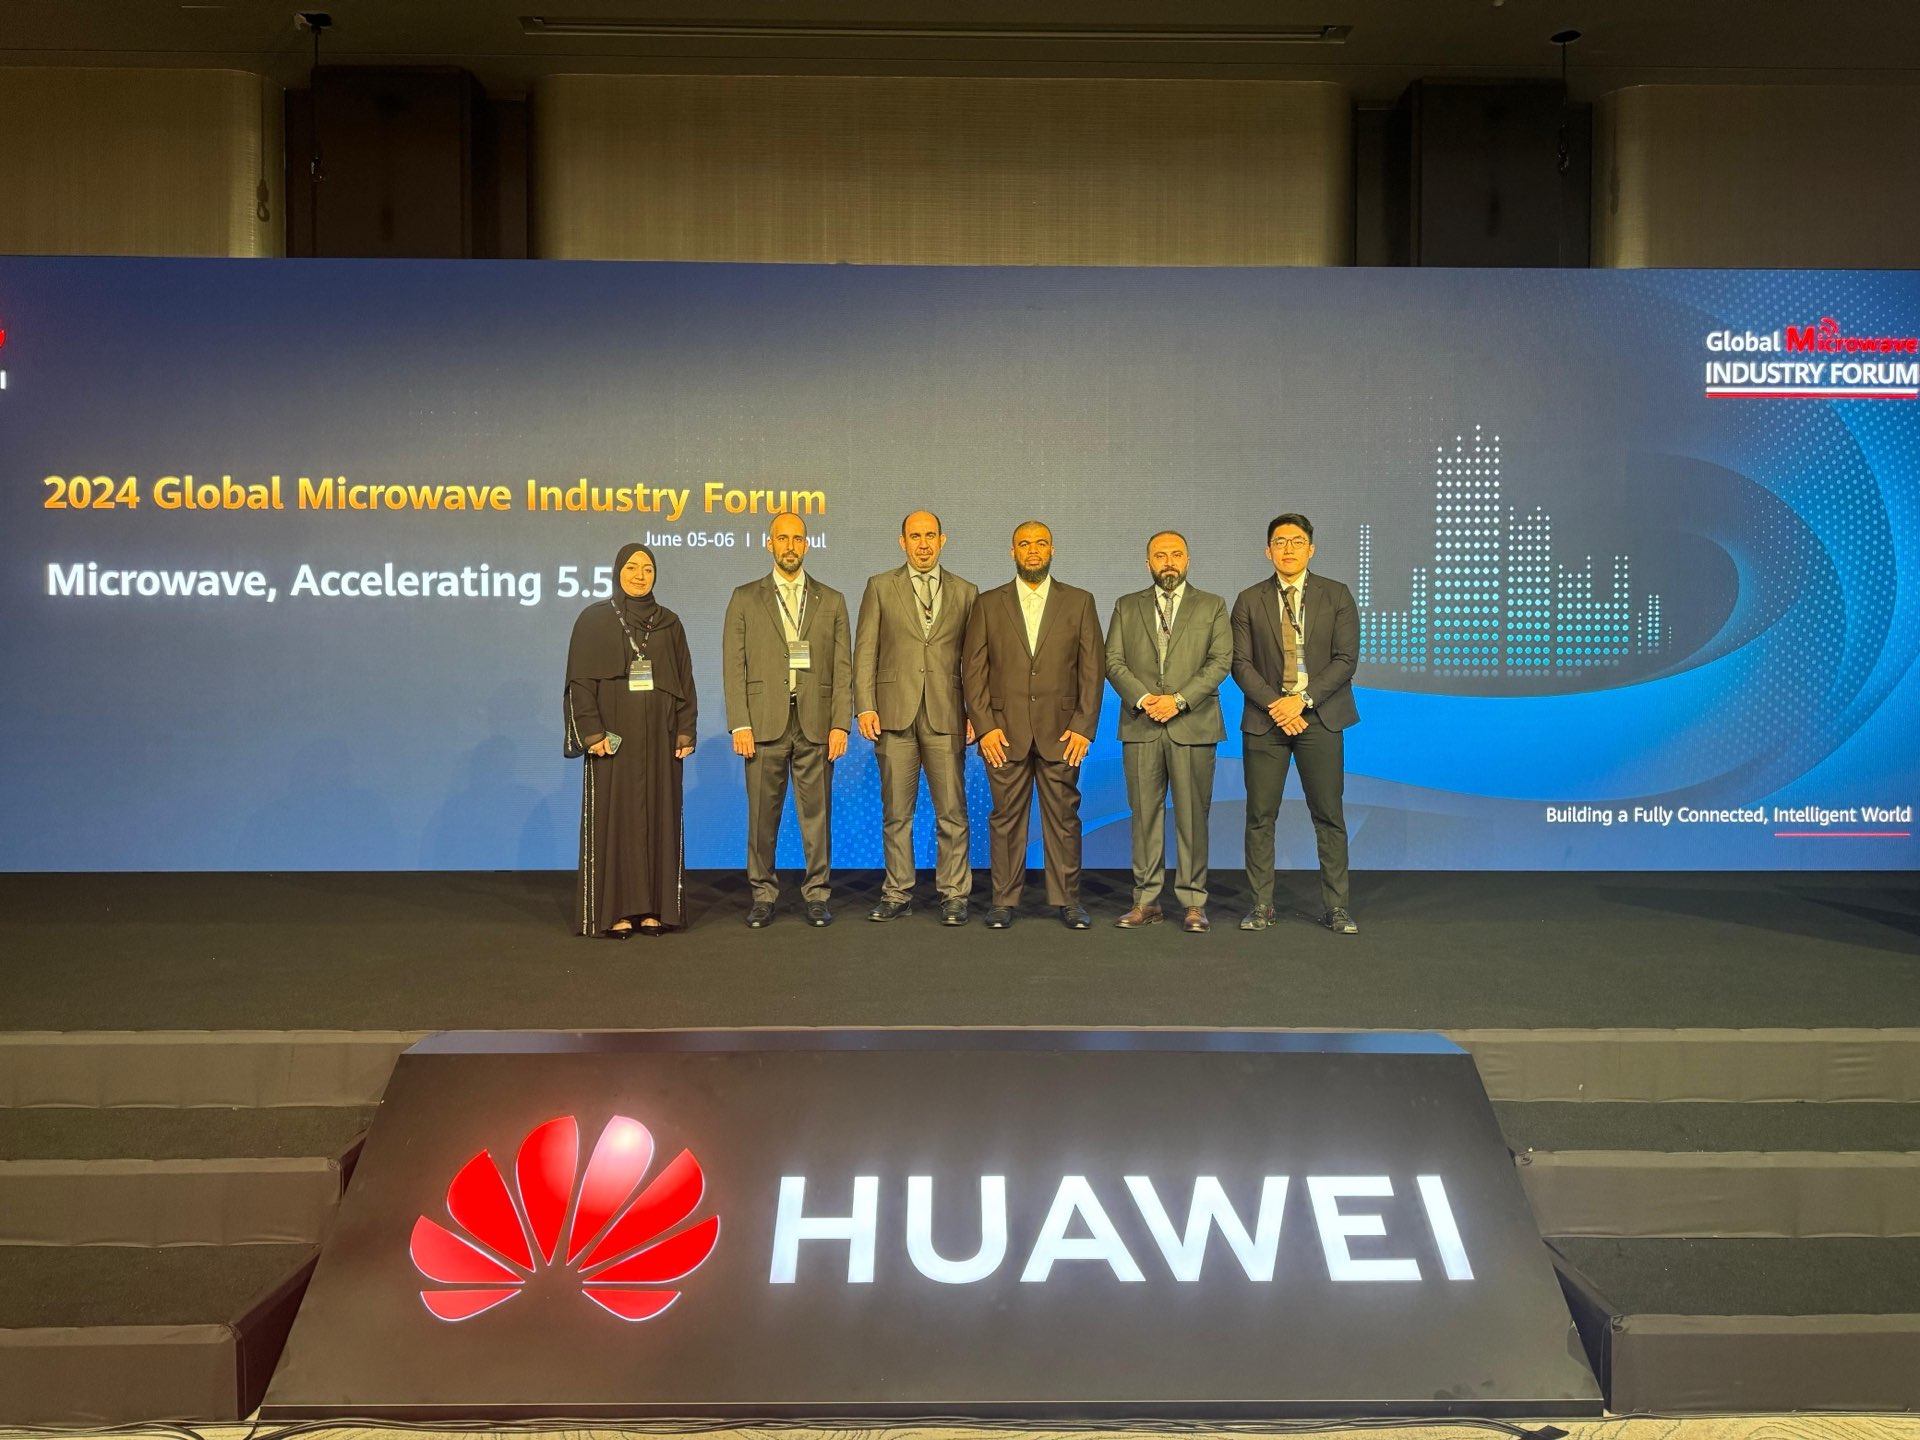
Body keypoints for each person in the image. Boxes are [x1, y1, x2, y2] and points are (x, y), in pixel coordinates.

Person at [962, 519, 1104, 930]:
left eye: (1041, 543)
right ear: (1013, 552)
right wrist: (985, 726)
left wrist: (1083, 727)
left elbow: (1092, 669)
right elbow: (973, 670)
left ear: (1052, 550)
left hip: (1063, 732)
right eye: (1025, 544)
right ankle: (1004, 901)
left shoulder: (1079, 601)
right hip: (1003, 734)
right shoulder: (988, 603)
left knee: (1064, 819)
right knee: (1005, 819)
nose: (1033, 550)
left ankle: (1068, 901)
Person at [1230, 512, 1361, 935]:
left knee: (1329, 815)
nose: (1288, 549)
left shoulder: (1336, 595)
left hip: (1320, 717)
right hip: (1266, 720)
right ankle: (1261, 905)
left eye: (1297, 541)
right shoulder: (1249, 599)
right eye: (1280, 542)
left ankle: (1337, 907)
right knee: (1260, 816)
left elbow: (1345, 660)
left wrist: (1301, 701)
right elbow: (1240, 664)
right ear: (1268, 551)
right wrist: (1277, 705)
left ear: (1312, 549)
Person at [723, 510, 852, 927]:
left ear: (807, 545)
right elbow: (733, 666)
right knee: (762, 818)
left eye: (797, 539)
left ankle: (817, 895)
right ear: (770, 544)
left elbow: (843, 668)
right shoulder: (745, 597)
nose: (790, 546)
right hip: (763, 725)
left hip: (816, 723)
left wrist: (840, 723)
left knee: (818, 818)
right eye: (783, 538)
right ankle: (763, 894)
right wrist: (740, 723)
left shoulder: (831, 600)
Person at [563, 543, 697, 937]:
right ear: (618, 571)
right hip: (613, 740)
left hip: (661, 739)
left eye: (648, 569)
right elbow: (580, 683)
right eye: (632, 568)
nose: (640, 575)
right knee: (616, 820)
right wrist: (591, 732)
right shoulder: (594, 620)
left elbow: (685, 681)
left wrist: (686, 729)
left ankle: (654, 909)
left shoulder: (669, 623)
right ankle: (615, 912)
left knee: (659, 817)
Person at [853, 510, 979, 925]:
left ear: (943, 540)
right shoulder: (879, 586)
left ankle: (954, 895)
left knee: (953, 813)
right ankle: (897, 893)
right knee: (896, 814)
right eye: (914, 536)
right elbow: (865, 650)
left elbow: (975, 661)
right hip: (894, 714)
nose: (922, 544)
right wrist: (865, 705)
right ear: (902, 541)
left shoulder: (966, 591)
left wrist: (976, 713)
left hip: (948, 713)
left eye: (929, 536)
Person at [1105, 530, 1232, 934]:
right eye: (1160, 556)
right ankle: (1146, 901)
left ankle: (1194, 902)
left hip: (1193, 724)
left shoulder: (1212, 605)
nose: (1169, 562)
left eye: (1176, 554)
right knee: (1144, 816)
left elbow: (1220, 661)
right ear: (1148, 563)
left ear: (1188, 560)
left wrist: (1178, 700)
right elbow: (1113, 661)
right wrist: (1146, 699)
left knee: (1192, 817)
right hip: (1142, 724)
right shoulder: (1126, 605)